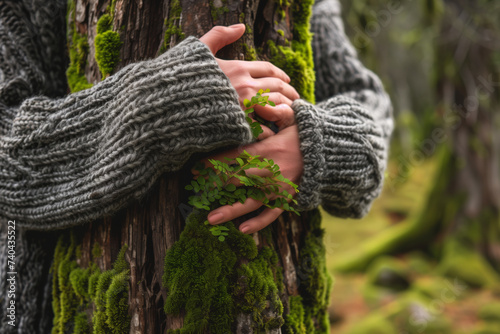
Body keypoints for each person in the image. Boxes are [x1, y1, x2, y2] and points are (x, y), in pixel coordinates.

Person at [0, 0, 393, 332]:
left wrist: (320, 147)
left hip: (278, 304)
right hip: (64, 305)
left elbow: (368, 102)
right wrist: (162, 102)